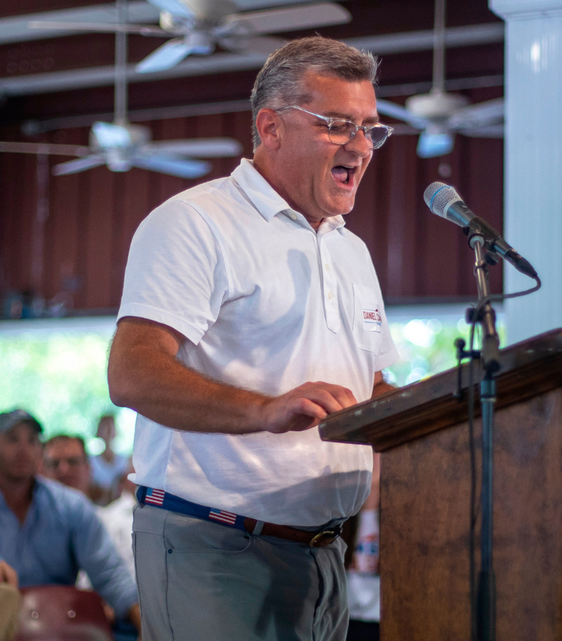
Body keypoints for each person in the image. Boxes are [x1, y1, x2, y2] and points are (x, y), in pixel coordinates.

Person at [107, 37, 398, 641]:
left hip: (324, 553)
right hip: (215, 545)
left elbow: (368, 386)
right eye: (338, 125)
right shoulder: (197, 222)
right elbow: (132, 373)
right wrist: (263, 410)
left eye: (370, 129)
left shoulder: (352, 249)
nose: (361, 147)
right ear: (271, 127)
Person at [0, 409, 141, 633]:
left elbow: (108, 572)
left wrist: (139, 617)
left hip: (57, 625)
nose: (23, 449)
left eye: (32, 440)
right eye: (13, 439)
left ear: (40, 451)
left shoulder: (72, 506)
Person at [88, 414, 128, 502]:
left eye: (110, 427)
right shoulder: (91, 462)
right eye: (104, 427)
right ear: (98, 431)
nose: (108, 431)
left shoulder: (125, 460)